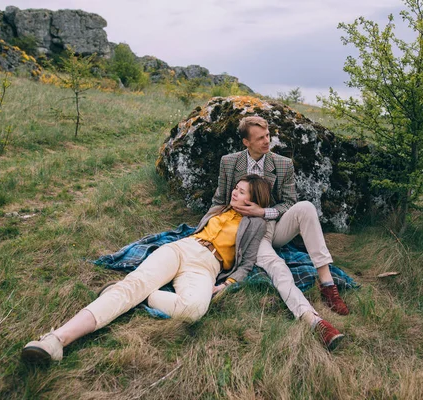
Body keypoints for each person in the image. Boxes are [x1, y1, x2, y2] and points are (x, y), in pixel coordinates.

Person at [22, 175, 270, 364]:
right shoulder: (219, 208)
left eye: (240, 191)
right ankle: (56, 340)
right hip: (182, 248)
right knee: (133, 286)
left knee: (194, 310)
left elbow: (247, 262)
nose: (234, 193)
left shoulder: (255, 223)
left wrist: (228, 283)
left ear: (253, 199)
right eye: (235, 188)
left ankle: (142, 298)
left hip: (207, 265)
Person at [211, 116, 349, 348]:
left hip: (273, 225)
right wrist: (207, 227)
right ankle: (314, 321)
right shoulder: (229, 162)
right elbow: (219, 199)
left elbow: (288, 202)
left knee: (304, 207)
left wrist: (263, 211)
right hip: (246, 230)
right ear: (246, 142)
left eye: (268, 135)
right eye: (260, 138)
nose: (267, 141)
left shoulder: (283, 163)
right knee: (278, 267)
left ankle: (327, 285)